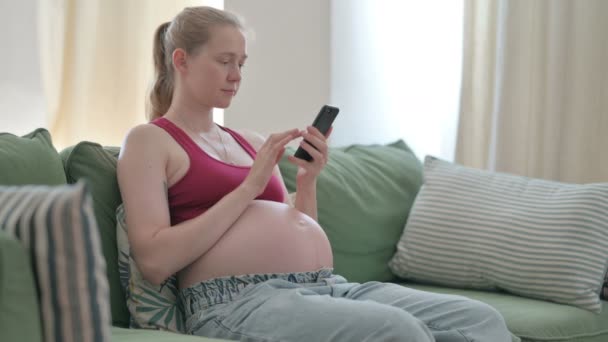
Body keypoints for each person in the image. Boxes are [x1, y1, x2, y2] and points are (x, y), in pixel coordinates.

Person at [117, 6, 517, 342]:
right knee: (397, 330)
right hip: (232, 301)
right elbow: (154, 261)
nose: (236, 75)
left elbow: (300, 228)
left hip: (323, 286)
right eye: (224, 62)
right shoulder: (150, 142)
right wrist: (248, 189)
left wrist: (308, 181)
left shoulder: (249, 142)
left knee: (481, 322)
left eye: (241, 63)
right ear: (181, 60)